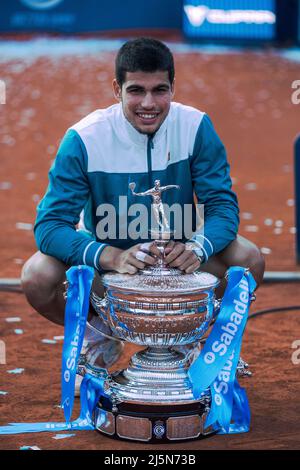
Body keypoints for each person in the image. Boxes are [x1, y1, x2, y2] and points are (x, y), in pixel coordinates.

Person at [21, 38, 265, 387]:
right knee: (37, 275)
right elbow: (49, 226)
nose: (148, 104)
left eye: (159, 90)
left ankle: (200, 343)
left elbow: (223, 206)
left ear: (172, 88)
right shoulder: (84, 137)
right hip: (109, 272)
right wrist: (111, 256)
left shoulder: (195, 127)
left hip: (180, 268)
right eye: (136, 90)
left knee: (249, 258)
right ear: (116, 88)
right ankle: (100, 335)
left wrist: (197, 248)